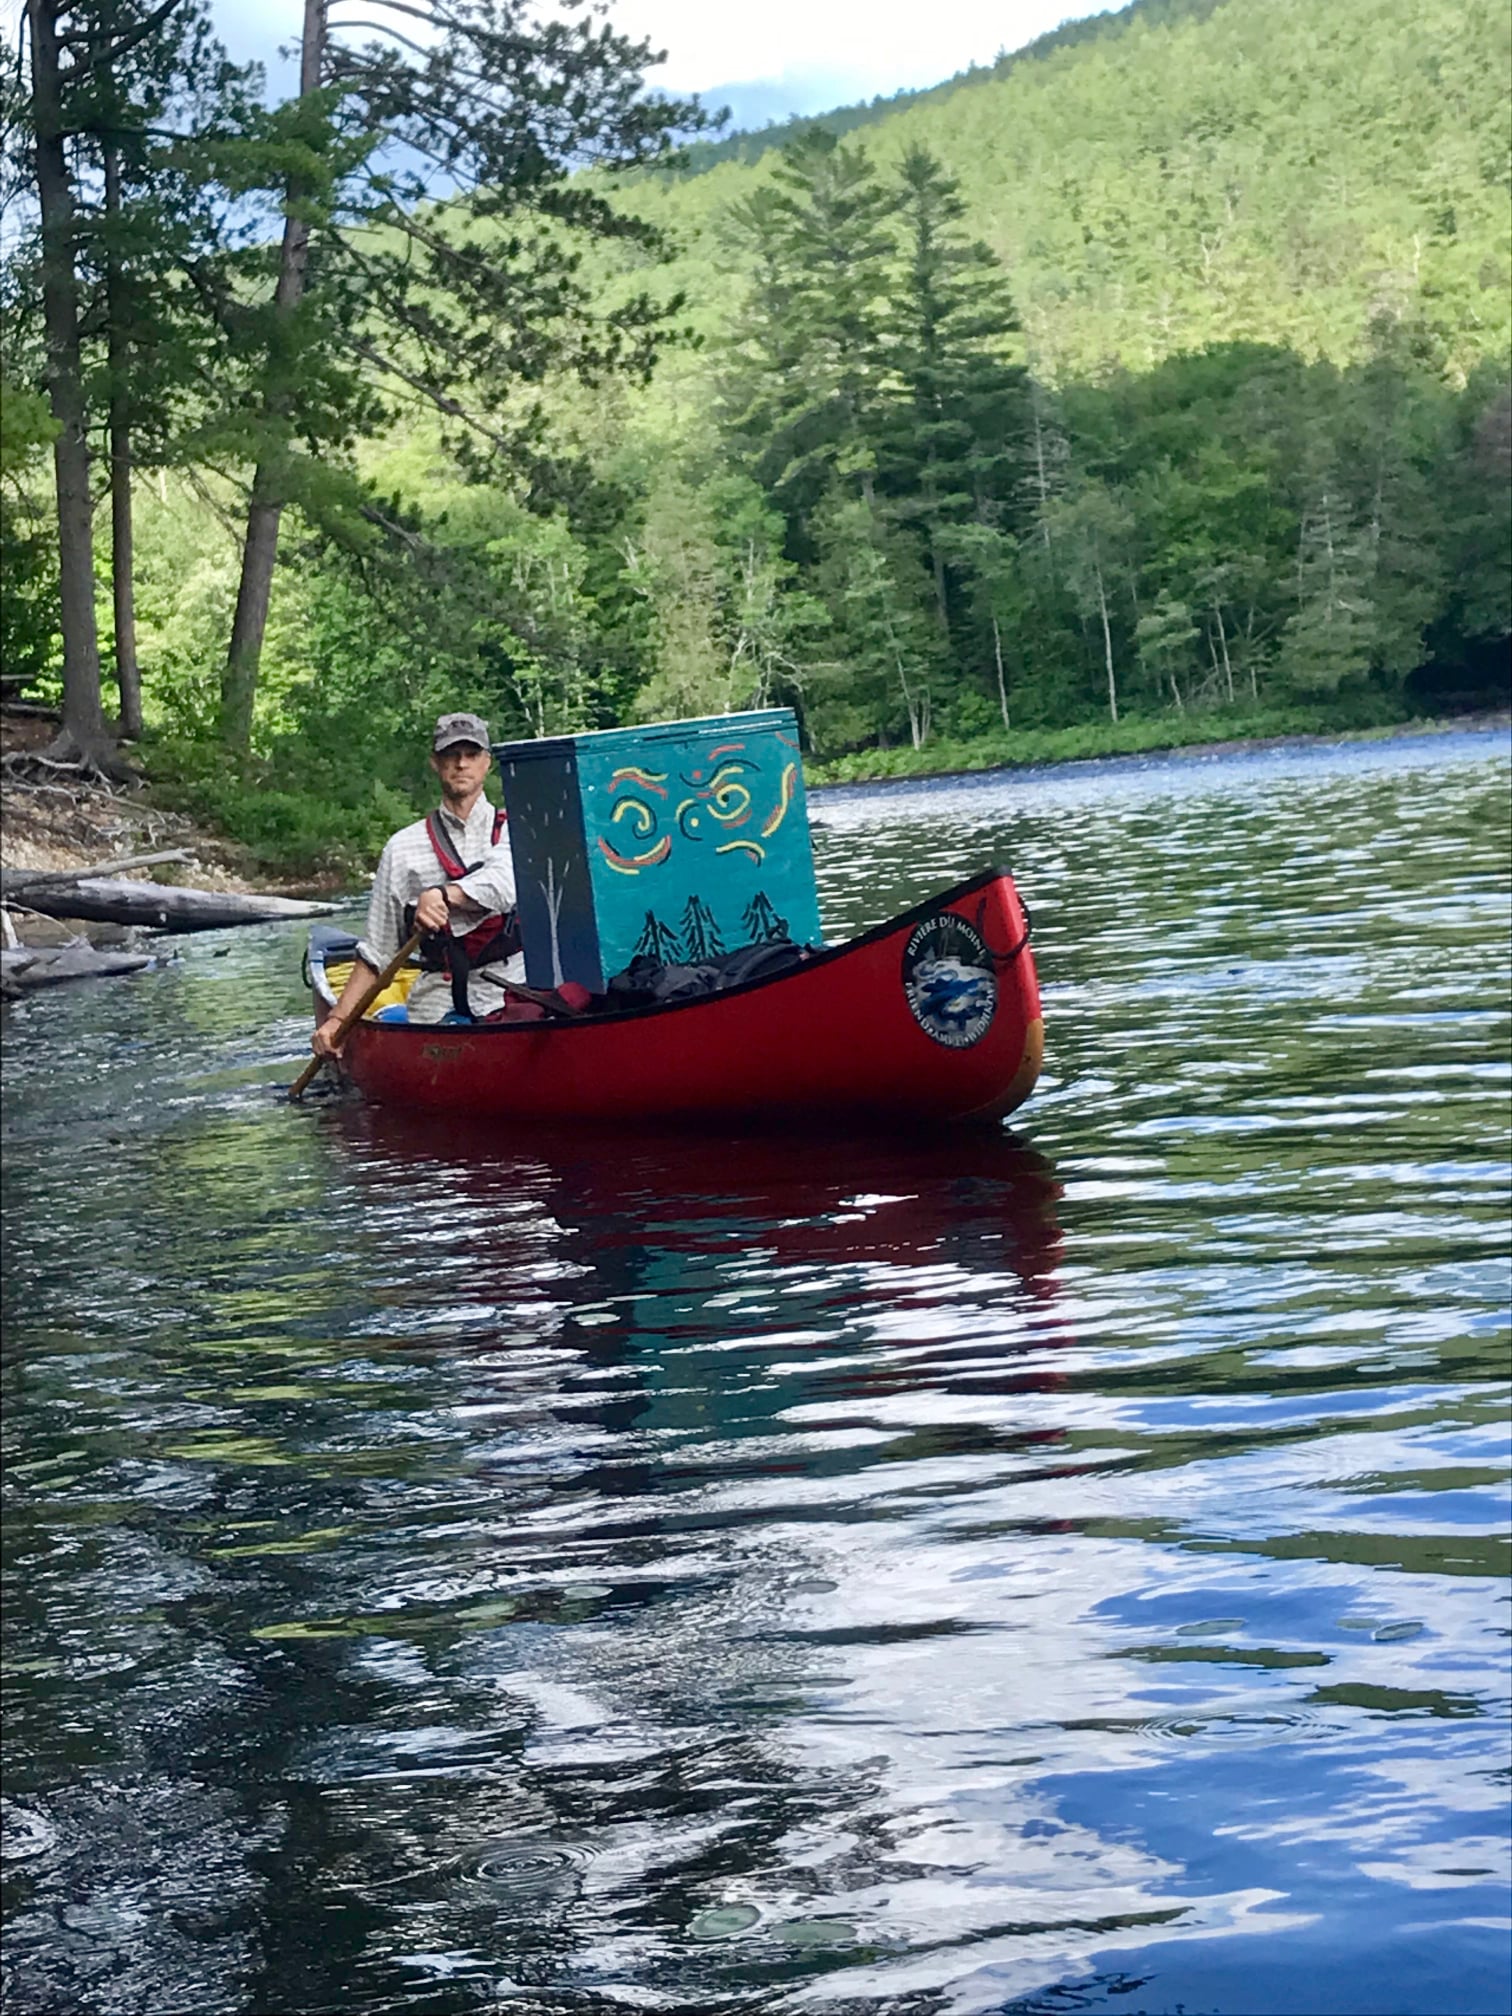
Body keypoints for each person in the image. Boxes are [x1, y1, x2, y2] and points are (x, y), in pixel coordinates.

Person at [312, 712, 524, 1059]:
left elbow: (503, 885)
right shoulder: (401, 848)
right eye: (450, 755)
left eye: (471, 754)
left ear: (487, 763)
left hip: (514, 992)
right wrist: (337, 1020)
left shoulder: (518, 829)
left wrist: (443, 895)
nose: (461, 764)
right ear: (435, 763)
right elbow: (377, 953)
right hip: (435, 1004)